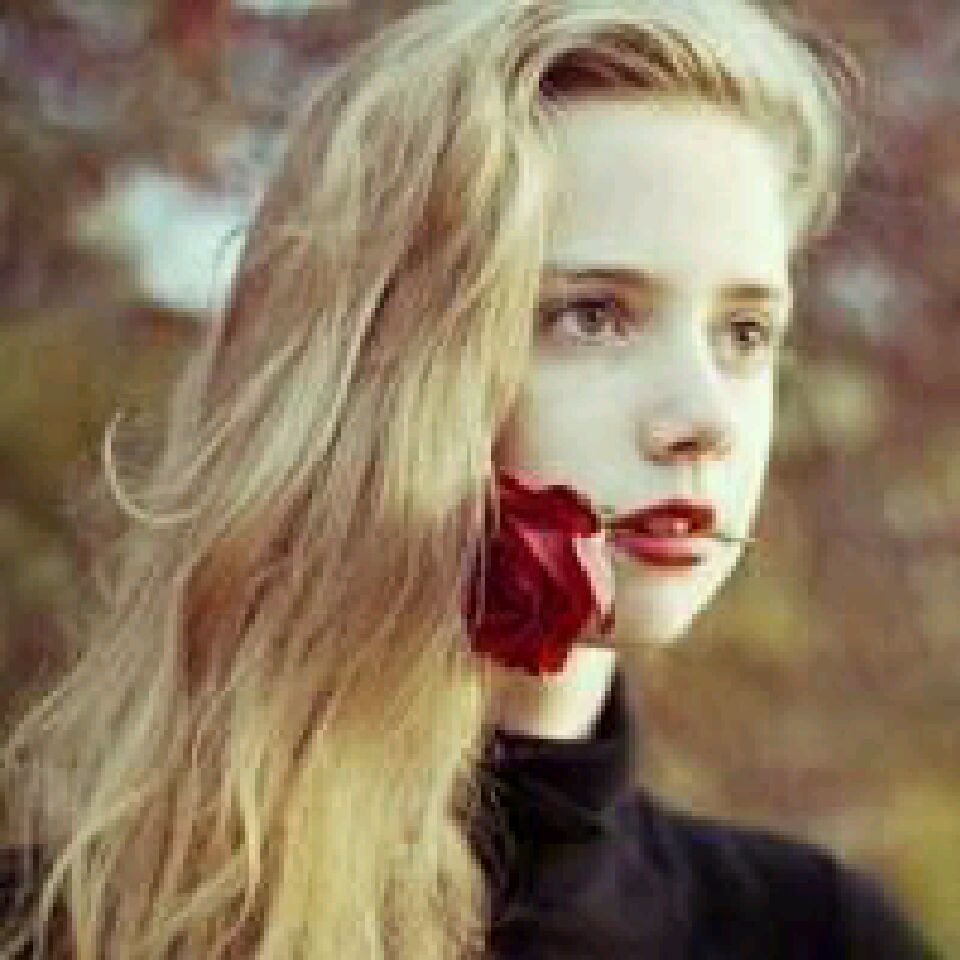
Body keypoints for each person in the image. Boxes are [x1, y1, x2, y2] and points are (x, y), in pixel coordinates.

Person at [0, 0, 944, 957]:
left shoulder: (815, 936)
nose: (704, 419)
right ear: (379, 361)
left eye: (744, 332)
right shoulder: (63, 927)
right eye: (592, 315)